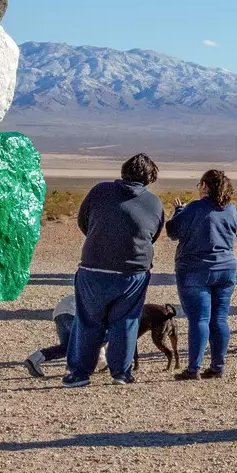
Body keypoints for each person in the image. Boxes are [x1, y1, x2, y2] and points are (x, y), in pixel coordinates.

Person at [66, 152, 164, 387]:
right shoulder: (154, 203)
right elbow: (154, 234)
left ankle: (80, 373)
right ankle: (121, 372)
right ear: (150, 178)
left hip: (94, 269)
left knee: (89, 321)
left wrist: (101, 241)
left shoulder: (99, 191)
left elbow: (84, 222)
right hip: (133, 273)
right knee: (126, 321)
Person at [167, 169, 237, 379]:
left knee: (199, 319)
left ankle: (194, 369)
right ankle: (218, 366)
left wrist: (179, 212)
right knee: (219, 318)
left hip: (195, 269)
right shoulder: (231, 209)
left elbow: (173, 231)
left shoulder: (195, 207)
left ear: (206, 186)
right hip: (226, 269)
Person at [25, 293, 79, 378]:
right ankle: (74, 368)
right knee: (90, 340)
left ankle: (35, 358)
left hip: (59, 312)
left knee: (66, 348)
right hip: (73, 312)